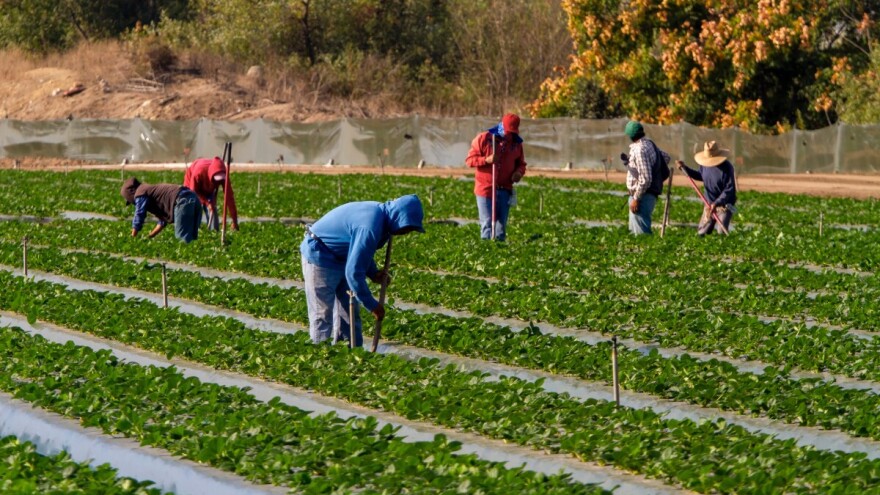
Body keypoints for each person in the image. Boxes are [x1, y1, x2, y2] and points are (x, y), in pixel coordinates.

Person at [300, 194, 425, 347]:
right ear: (399, 217)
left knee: (349, 314)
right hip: (320, 256)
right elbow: (353, 273)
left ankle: (349, 357)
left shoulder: (384, 221)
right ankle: (320, 358)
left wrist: (373, 273)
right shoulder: (370, 224)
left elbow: (360, 250)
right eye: (406, 227)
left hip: (342, 257)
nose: (406, 232)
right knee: (323, 315)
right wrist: (372, 305)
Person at [465, 113, 527, 241]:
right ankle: (487, 253)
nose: (509, 134)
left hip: (505, 189)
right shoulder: (484, 138)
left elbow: (521, 164)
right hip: (485, 188)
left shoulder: (516, 143)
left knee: (500, 226)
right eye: (508, 131)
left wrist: (518, 173)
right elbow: (470, 161)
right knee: (487, 223)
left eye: (513, 132)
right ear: (501, 126)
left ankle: (499, 252)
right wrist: (486, 160)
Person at [676, 140, 737, 235]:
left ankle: (723, 248)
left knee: (722, 231)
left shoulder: (727, 167)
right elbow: (700, 175)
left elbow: (729, 189)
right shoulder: (704, 165)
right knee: (702, 232)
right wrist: (685, 168)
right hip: (709, 203)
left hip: (725, 205)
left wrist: (717, 203)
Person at [623, 120, 670, 235]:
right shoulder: (649, 143)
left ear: (630, 136)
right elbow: (666, 157)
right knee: (636, 231)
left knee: (641, 233)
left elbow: (645, 179)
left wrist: (636, 198)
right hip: (645, 194)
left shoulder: (640, 150)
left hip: (643, 196)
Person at [120, 177, 202, 243]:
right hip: (192, 196)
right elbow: (162, 221)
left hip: (182, 200)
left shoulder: (140, 192)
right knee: (192, 238)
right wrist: (150, 236)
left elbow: (139, 214)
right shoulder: (150, 191)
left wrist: (133, 237)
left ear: (130, 193)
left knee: (182, 239)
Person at [184, 156, 238, 231]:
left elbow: (229, 198)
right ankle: (193, 230)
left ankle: (214, 230)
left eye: (219, 180)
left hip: (208, 188)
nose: (218, 182)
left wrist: (235, 221)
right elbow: (193, 192)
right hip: (192, 185)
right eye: (216, 180)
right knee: (195, 207)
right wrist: (206, 202)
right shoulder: (199, 171)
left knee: (213, 210)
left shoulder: (224, 175)